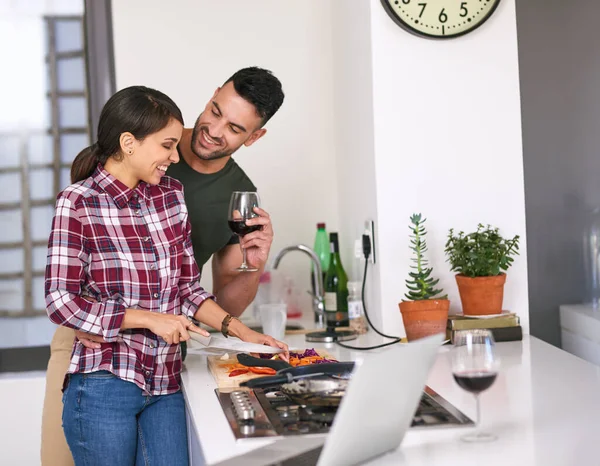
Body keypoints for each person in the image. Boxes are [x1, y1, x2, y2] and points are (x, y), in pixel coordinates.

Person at [41, 67, 285, 466]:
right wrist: (145, 319)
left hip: (166, 370)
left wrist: (244, 332)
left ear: (253, 137)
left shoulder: (172, 192)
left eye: (235, 128)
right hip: (99, 358)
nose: (213, 129)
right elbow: (61, 300)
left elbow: (188, 289)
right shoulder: (82, 197)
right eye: (215, 110)